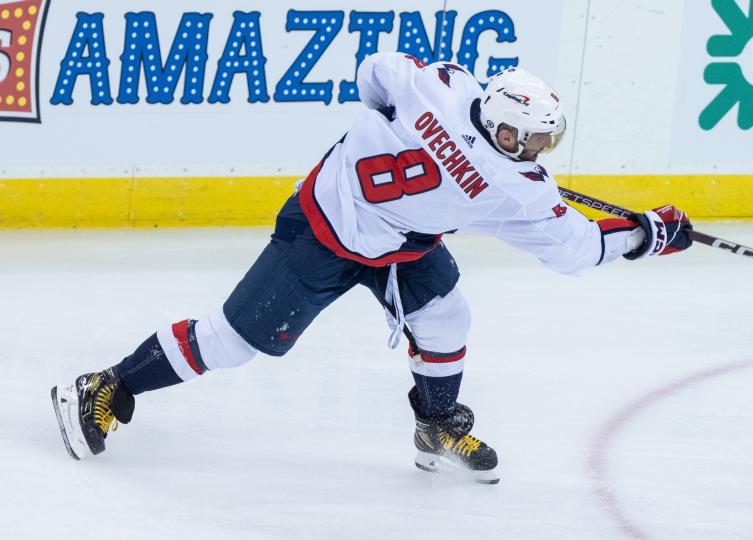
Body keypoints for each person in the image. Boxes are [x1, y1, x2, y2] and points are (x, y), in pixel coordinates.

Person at [51, 52, 692, 484]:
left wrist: (399, 131)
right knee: (231, 342)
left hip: (380, 230)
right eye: (533, 143)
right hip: (324, 236)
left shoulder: (442, 83)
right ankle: (107, 384)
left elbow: (375, 74)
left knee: (445, 316)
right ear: (503, 131)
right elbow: (575, 247)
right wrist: (649, 234)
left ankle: (435, 423)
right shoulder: (509, 190)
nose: (541, 152)